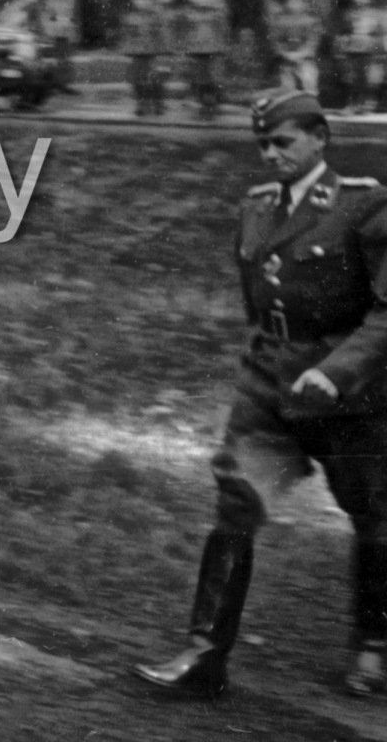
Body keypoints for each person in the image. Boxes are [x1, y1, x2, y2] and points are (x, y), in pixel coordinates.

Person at [134, 90, 387, 699]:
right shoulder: (255, 208)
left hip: (347, 392)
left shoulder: (364, 205)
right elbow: (261, 300)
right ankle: (204, 654)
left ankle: (375, 648)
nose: (271, 154)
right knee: (237, 503)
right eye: (263, 144)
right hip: (270, 380)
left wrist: (339, 371)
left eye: (284, 141)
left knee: (374, 514)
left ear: (320, 137)